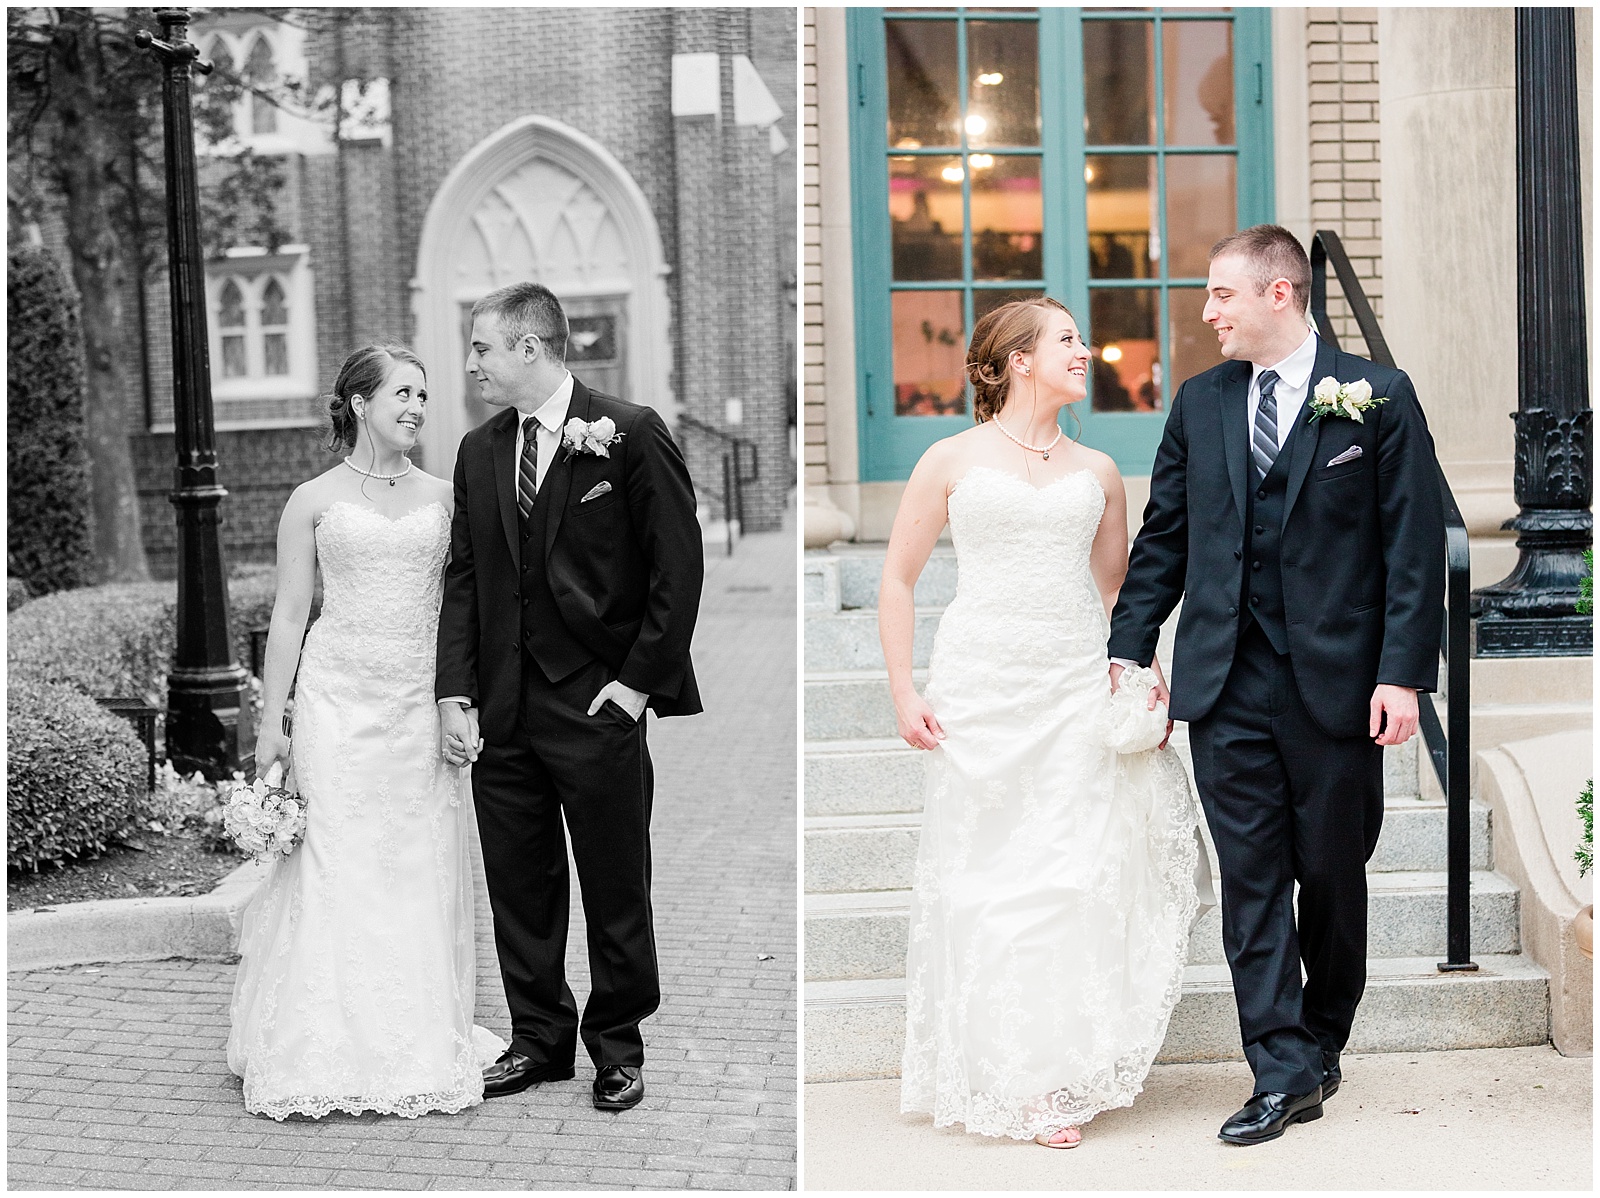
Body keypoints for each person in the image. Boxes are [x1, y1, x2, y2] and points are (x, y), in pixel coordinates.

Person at [1109, 225, 1445, 1145]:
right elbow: (1165, 538)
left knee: (1333, 873)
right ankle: (1282, 1070)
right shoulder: (1199, 403)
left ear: (1281, 293)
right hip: (1222, 683)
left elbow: (1411, 551)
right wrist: (1130, 646)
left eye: (1222, 295)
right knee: (1252, 882)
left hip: (1337, 688)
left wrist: (1403, 677)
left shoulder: (1378, 397)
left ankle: (1324, 1035)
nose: (1208, 312)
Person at [882, 297, 1203, 1148]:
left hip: (1070, 682)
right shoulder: (949, 459)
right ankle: (1005, 1067)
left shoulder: (1098, 470)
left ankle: (1052, 1075)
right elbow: (899, 581)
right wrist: (902, 691)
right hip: (981, 685)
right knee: (989, 881)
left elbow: (1115, 590)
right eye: (1068, 340)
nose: (1086, 351)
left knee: (1067, 874)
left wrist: (1146, 676)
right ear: (1018, 359)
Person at [435, 282, 703, 1113]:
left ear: (530, 348)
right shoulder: (479, 451)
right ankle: (539, 1040)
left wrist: (634, 686)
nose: (471, 362)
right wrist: (455, 692)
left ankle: (617, 1048)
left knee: (615, 883)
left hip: (596, 706)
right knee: (521, 885)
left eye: (482, 347)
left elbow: (677, 570)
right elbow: (467, 580)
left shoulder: (628, 432)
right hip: (503, 714)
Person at [228, 343, 502, 1120]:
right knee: (333, 862)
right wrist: (271, 720)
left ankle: (414, 1037)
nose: (417, 406)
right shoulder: (310, 500)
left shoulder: (449, 498)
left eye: (423, 393)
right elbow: (289, 613)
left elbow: (467, 611)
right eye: (402, 394)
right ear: (358, 403)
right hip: (335, 699)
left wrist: (464, 699)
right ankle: (317, 1041)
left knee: (417, 860)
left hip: (417, 701)